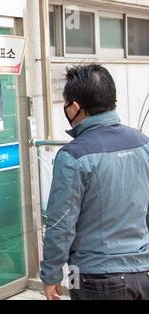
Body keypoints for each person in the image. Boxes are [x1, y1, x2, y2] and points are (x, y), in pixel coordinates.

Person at [40, 64, 149, 300]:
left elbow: (61, 224)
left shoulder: (73, 156)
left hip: (94, 277)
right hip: (143, 272)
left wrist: (50, 275)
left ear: (75, 108)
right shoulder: (144, 144)